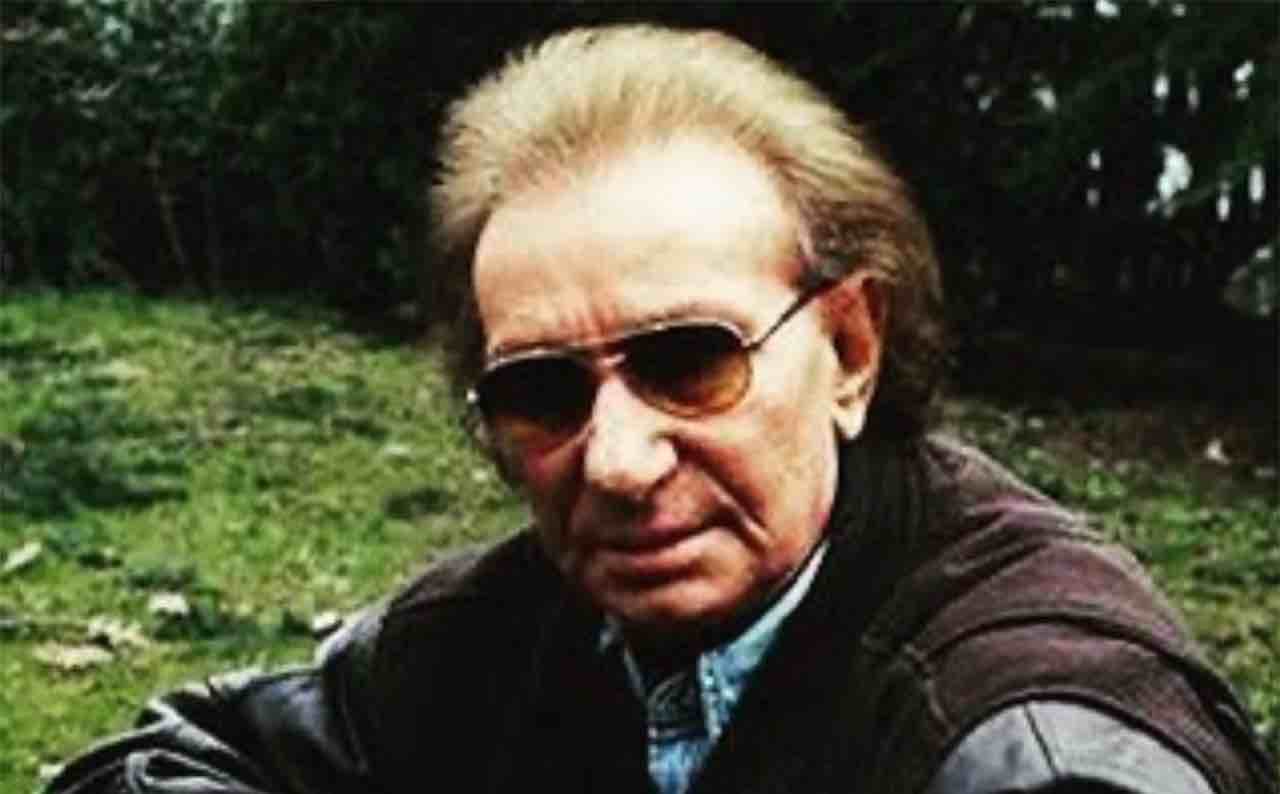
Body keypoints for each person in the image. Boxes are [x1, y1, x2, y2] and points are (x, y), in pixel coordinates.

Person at [49, 24, 1277, 794]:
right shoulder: (513, 629)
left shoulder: (1031, 740)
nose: (619, 462)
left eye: (691, 361)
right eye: (540, 389)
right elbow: (164, 761)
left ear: (850, 349)